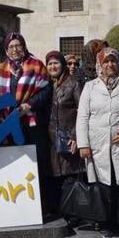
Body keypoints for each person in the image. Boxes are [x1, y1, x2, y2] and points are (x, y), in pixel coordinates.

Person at [77, 47, 119, 238]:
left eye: (113, 61)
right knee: (103, 186)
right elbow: (82, 117)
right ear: (100, 65)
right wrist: (83, 144)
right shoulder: (90, 87)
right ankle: (105, 224)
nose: (110, 65)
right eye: (106, 62)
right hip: (98, 145)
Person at [0, 32, 51, 145]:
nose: (15, 49)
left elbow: (46, 89)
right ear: (6, 50)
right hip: (7, 121)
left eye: (18, 45)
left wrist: (30, 104)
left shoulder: (37, 65)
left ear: (24, 47)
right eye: (11, 46)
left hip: (31, 120)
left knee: (34, 157)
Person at [43, 51, 84, 219]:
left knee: (70, 177)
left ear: (62, 65)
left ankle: (73, 215)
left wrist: (75, 136)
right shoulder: (44, 84)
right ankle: (58, 213)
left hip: (68, 138)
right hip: (50, 140)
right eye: (50, 64)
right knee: (53, 179)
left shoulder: (73, 84)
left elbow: (82, 112)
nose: (53, 67)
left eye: (56, 63)